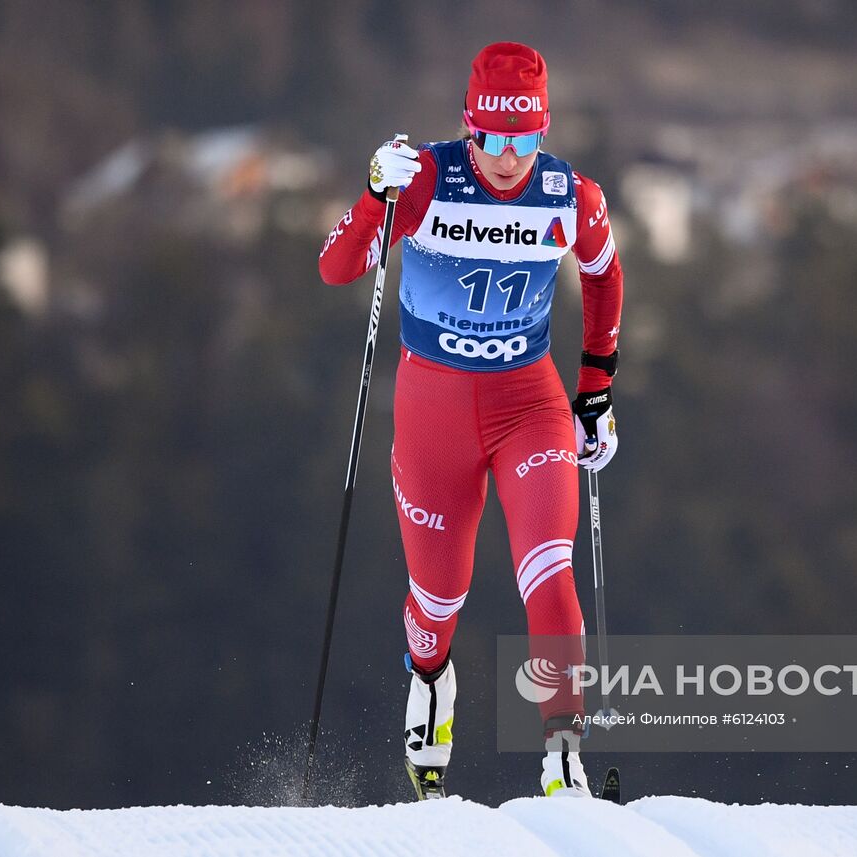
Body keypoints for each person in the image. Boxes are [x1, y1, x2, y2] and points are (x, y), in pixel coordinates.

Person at [318, 41, 623, 799]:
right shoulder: (423, 180)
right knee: (437, 602)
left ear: (543, 133)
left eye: (526, 140)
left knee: (550, 570)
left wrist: (595, 390)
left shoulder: (569, 195)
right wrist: (371, 196)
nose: (509, 157)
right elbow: (337, 266)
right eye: (492, 139)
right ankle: (428, 680)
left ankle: (562, 754)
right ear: (468, 127)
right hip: (434, 413)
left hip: (530, 406)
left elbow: (605, 275)